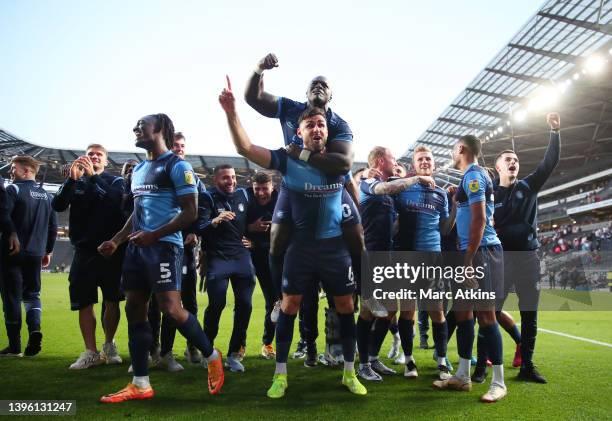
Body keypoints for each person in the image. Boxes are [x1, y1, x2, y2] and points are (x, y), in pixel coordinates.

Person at [220, 77, 366, 397]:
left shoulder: (334, 164)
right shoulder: (286, 159)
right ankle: (281, 375)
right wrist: (232, 113)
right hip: (300, 247)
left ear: (328, 131)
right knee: (290, 306)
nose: (316, 128)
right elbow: (244, 148)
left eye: (321, 125)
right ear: (297, 131)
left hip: (333, 248)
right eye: (310, 124)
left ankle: (350, 373)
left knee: (344, 305)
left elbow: (345, 168)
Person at [244, 54, 363, 362]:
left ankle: (363, 288)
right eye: (314, 84)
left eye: (324, 85)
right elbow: (252, 98)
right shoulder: (291, 109)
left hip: (332, 188)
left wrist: (301, 154)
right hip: (296, 186)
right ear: (307, 92)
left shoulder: (339, 123)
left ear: (331, 95)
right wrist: (259, 70)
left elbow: (343, 164)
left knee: (356, 234)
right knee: (277, 239)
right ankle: (276, 300)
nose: (318, 86)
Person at [98, 113, 223, 403]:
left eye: (141, 126)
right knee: (134, 309)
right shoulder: (140, 169)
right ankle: (140, 383)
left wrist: (154, 235)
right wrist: (116, 241)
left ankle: (211, 354)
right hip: (136, 249)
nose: (135, 129)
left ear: (160, 130)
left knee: (171, 309)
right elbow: (137, 213)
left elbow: (190, 212)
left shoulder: (178, 166)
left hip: (165, 246)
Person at [432, 134, 507, 403]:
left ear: (460, 148)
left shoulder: (474, 175)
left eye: (454, 149)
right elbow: (457, 221)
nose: (453, 152)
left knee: (486, 316)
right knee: (463, 314)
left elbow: (479, 219)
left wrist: (467, 263)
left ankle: (499, 382)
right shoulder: (468, 179)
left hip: (481, 253)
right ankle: (462, 377)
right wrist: (454, 203)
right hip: (472, 252)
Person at [489, 112, 561, 384]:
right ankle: (485, 365)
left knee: (530, 314)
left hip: (529, 259)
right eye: (508, 160)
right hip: (500, 260)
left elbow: (549, 162)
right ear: (498, 167)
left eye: (516, 160)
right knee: (490, 312)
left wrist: (554, 131)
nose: (514, 163)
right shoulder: (489, 193)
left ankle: (527, 366)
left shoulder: (529, 186)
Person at [355, 146, 437, 381]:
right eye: (392, 158)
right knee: (369, 310)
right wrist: (416, 177)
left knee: (390, 310)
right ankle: (361, 364)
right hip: (372, 255)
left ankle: (372, 358)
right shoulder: (368, 183)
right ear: (381, 161)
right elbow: (387, 187)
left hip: (388, 256)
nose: (395, 161)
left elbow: (392, 222)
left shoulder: (389, 193)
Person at [52, 144, 125, 369]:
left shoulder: (115, 181)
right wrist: (72, 180)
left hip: (111, 250)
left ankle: (109, 344)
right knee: (84, 301)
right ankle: (90, 351)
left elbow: (114, 203)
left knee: (112, 300)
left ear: (105, 160)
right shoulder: (76, 182)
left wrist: (93, 178)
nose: (93, 157)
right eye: (90, 154)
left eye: (98, 154)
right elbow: (58, 204)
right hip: (83, 250)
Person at [391, 146, 456, 381]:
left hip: (432, 257)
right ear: (414, 166)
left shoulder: (440, 194)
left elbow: (445, 229)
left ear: (434, 165)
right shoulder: (404, 190)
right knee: (407, 310)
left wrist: (456, 205)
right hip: (408, 257)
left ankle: (441, 361)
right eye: (421, 159)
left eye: (428, 159)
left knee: (437, 311)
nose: (425, 162)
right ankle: (409, 361)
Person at [197, 164, 255, 373]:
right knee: (216, 305)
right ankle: (207, 351)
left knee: (245, 306)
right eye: (225, 178)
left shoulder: (243, 196)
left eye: (232, 177)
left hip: (241, 257)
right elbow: (199, 227)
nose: (230, 181)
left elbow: (254, 221)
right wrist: (215, 220)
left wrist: (255, 239)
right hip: (218, 258)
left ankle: (233, 355)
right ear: (215, 180)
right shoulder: (207, 197)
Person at [0, 156, 56, 357]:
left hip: (12, 251)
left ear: (26, 171)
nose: (10, 172)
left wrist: (12, 233)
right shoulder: (48, 196)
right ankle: (35, 329)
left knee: (11, 298)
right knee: (32, 295)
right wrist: (48, 251)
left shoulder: (13, 190)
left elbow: (3, 214)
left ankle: (14, 346)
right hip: (36, 253)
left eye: (14, 168)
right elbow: (53, 227)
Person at [246, 172, 279, 359]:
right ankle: (238, 346)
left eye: (264, 188)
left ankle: (267, 344)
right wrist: (250, 229)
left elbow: (290, 224)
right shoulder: (245, 198)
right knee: (243, 303)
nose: (260, 193)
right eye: (256, 189)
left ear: (272, 187)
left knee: (274, 302)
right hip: (248, 257)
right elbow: (236, 224)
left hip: (271, 258)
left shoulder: (281, 200)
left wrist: (274, 226)